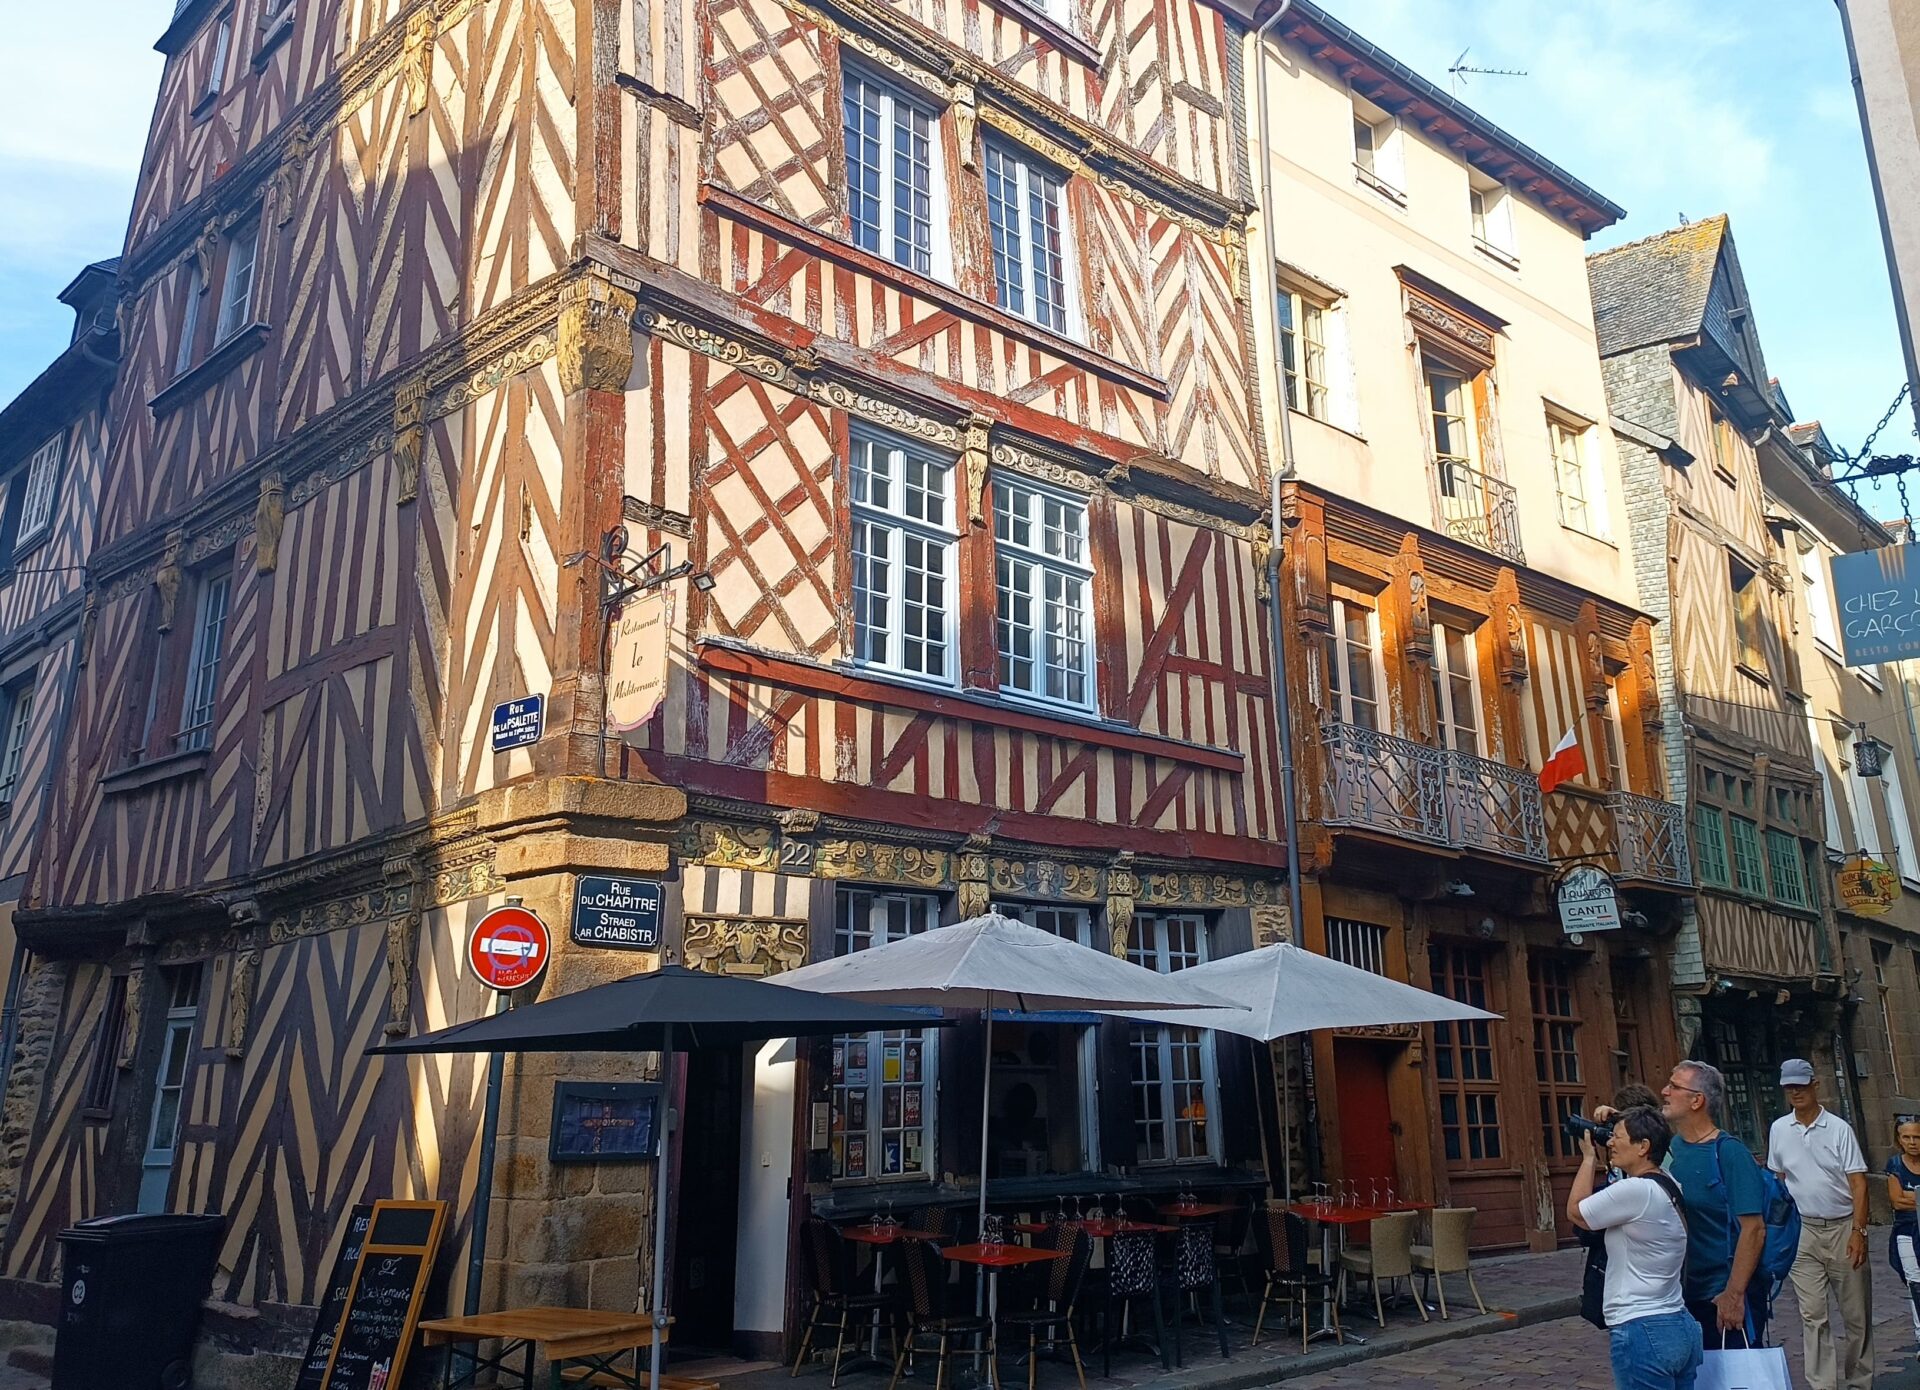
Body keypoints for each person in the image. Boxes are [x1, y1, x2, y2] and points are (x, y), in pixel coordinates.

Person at [1570, 1106, 1700, 1390]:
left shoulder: (1636, 1191)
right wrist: (1624, 1118)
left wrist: (1589, 1158)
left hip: (1642, 1328)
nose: (1610, 1143)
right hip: (1677, 1323)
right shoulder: (1668, 1182)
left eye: (1618, 1137)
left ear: (1643, 1146)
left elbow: (1577, 1212)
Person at [1766, 1059, 1872, 1390]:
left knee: (1856, 1316)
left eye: (1800, 1084)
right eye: (1789, 1087)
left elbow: (1859, 1183)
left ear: (1815, 1085)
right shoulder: (1779, 1129)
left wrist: (1859, 1230)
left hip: (1842, 1226)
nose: (1795, 1091)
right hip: (1803, 1230)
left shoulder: (1839, 1129)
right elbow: (1778, 1179)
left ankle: (1859, 1382)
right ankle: (1822, 1385)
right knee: (1813, 1315)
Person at [1660, 1060, 1769, 1348]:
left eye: (1674, 1086)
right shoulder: (1669, 1150)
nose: (1664, 1091)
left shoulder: (1730, 1153)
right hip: (1679, 1296)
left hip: (1720, 1296)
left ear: (1697, 1100)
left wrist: (1734, 1294)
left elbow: (1754, 1230)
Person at [1885, 1117, 1920, 1361]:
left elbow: (1907, 1198)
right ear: (1899, 1139)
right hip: (1907, 1231)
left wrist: (1913, 1197)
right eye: (1906, 1137)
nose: (1912, 1142)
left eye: (1916, 1137)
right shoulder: (1895, 1165)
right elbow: (1897, 1200)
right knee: (1916, 1283)